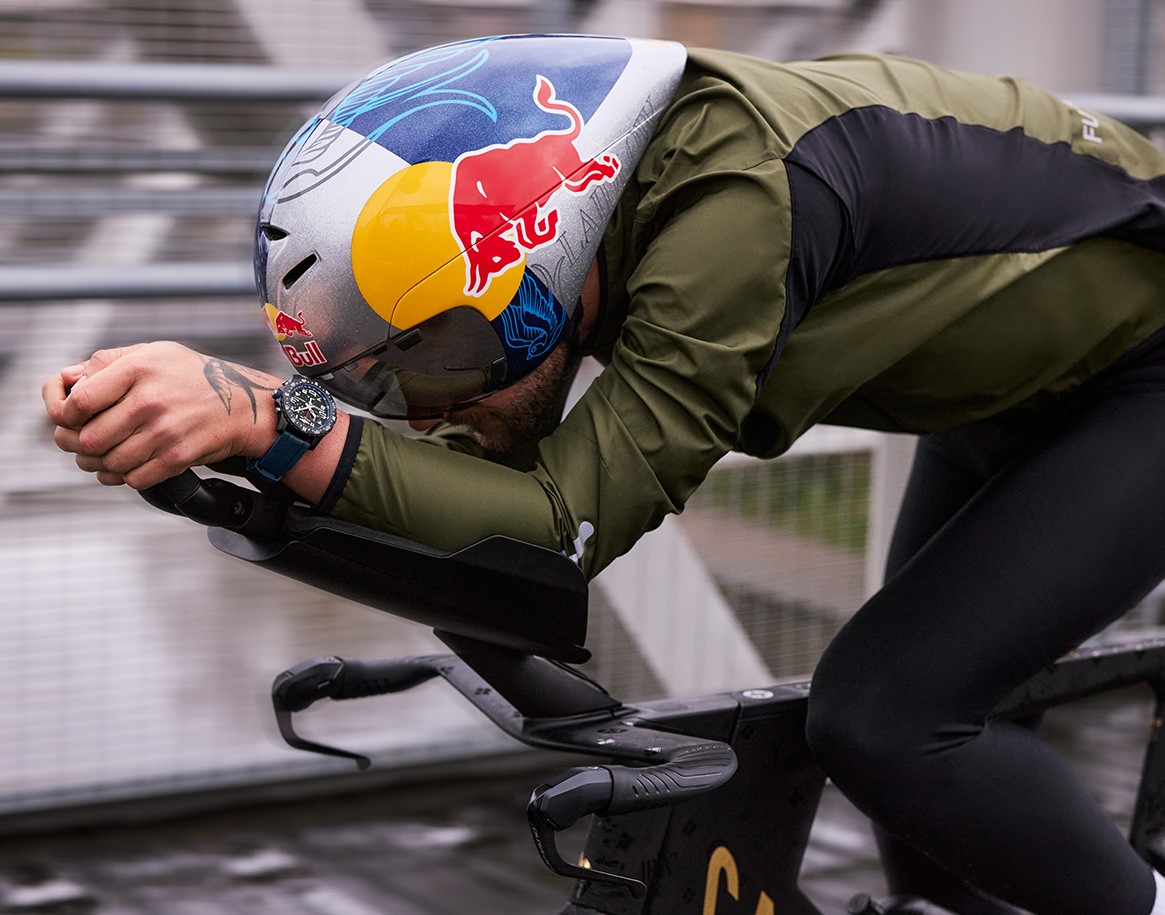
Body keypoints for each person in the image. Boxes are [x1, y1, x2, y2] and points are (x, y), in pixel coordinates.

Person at [41, 33, 1165, 914]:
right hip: (1001, 384)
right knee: (935, 822)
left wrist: (265, 417)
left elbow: (557, 530)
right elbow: (478, 523)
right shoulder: (603, 210)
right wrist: (248, 467)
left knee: (886, 719)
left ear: (553, 249)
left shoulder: (729, 210)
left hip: (1139, 377)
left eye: (437, 350)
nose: (427, 405)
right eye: (376, 376)